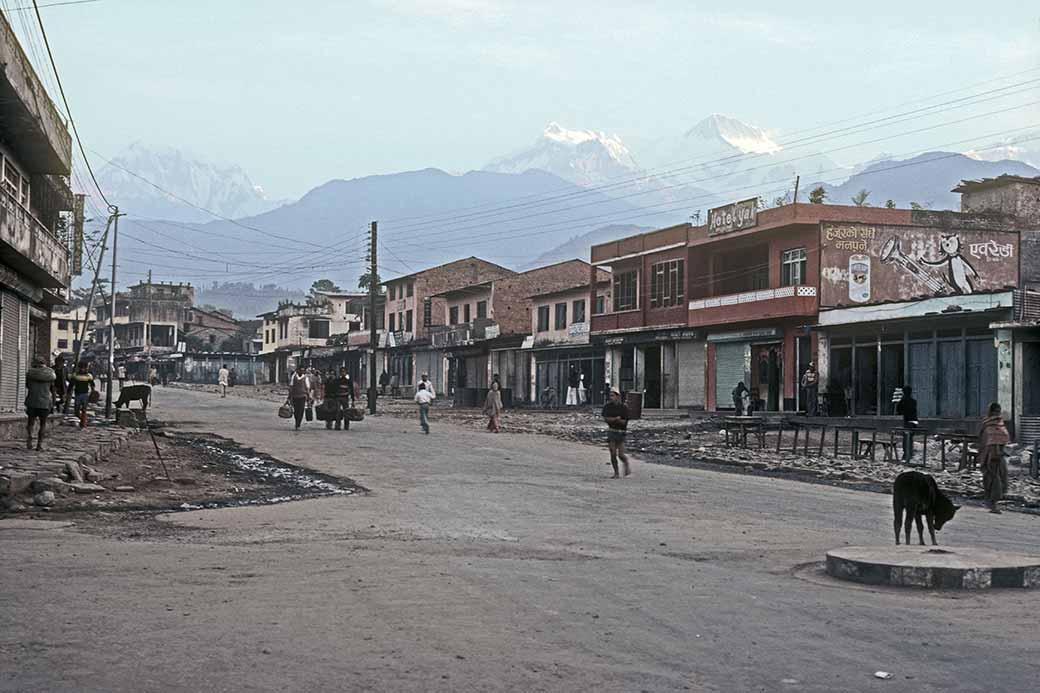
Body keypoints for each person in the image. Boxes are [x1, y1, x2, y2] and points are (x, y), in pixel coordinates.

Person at [978, 402, 1010, 514]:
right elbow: (987, 440)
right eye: (995, 411)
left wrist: (1002, 450)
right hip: (990, 456)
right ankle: (992, 504)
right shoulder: (988, 424)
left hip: (999, 455)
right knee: (993, 479)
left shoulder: (999, 423)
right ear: (990, 412)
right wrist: (994, 453)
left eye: (998, 411)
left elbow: (1002, 438)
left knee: (1001, 478)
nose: (997, 413)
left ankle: (992, 502)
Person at [25, 358, 56, 451]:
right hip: (45, 402)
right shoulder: (50, 375)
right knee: (43, 424)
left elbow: (28, 386)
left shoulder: (30, 374)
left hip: (32, 401)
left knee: (31, 422)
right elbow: (53, 389)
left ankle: (30, 440)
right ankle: (39, 445)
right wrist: (53, 403)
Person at [602, 389, 631, 479]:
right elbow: (606, 419)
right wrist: (616, 419)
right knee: (612, 453)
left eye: (613, 395)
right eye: (610, 395)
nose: (611, 398)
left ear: (618, 397)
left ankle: (626, 463)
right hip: (612, 431)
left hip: (621, 432)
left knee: (621, 454)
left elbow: (624, 422)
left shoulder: (623, 408)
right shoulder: (607, 407)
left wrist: (614, 419)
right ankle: (616, 472)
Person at [895, 385, 919, 461]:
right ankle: (910, 453)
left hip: (907, 421)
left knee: (906, 438)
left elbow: (899, 411)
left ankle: (906, 454)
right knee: (910, 438)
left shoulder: (903, 401)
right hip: (914, 421)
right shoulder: (913, 401)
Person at [69, 362, 96, 428]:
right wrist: (68, 393)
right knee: (76, 410)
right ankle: (83, 420)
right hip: (77, 394)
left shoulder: (89, 376)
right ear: (79, 368)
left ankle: (83, 423)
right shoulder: (75, 375)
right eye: (82, 368)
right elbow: (71, 385)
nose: (83, 369)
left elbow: (92, 385)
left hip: (85, 394)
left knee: (84, 409)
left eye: (84, 368)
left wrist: (93, 392)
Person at [288, 366, 313, 431]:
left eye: (303, 370)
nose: (302, 372)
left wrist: (309, 397)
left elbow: (307, 388)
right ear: (297, 370)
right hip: (295, 396)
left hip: (303, 396)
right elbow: (291, 387)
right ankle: (297, 422)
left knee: (301, 410)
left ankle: (298, 424)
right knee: (296, 411)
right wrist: (289, 396)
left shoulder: (306, 378)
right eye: (300, 370)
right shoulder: (294, 377)